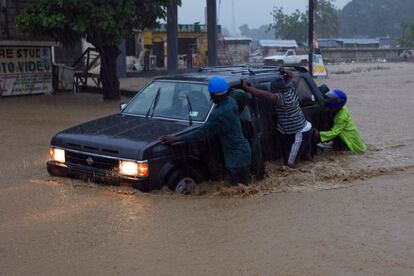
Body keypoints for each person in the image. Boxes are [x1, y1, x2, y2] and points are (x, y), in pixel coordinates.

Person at [160, 77, 252, 186]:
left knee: (238, 189)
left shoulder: (219, 114)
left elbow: (201, 133)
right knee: (243, 188)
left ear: (214, 95)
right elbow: (241, 94)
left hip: (235, 157)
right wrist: (244, 85)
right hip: (243, 152)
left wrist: (177, 138)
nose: (210, 98)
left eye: (211, 94)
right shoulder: (232, 101)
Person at [241, 68, 313, 167]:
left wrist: (246, 87)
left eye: (273, 90)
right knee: (297, 157)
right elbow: (295, 77)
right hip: (288, 130)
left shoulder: (281, 98)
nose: (271, 91)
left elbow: (263, 94)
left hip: (299, 132)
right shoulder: (291, 88)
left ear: (278, 90)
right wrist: (285, 70)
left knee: (290, 164)